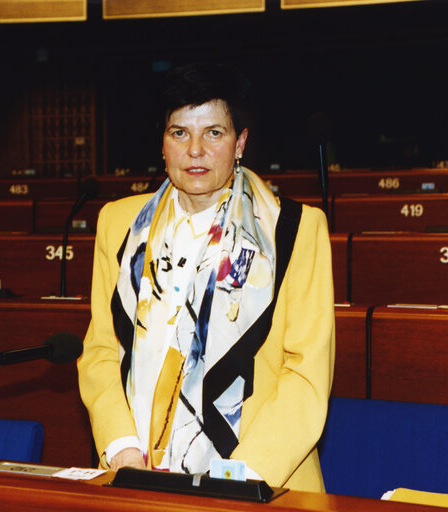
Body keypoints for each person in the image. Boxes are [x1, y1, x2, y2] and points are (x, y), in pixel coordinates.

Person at [77, 63, 335, 491]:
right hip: (136, 476)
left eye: (213, 133)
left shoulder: (292, 230)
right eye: (180, 133)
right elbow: (102, 350)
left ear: (240, 143)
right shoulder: (119, 224)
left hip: (259, 482)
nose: (195, 149)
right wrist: (120, 445)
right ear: (162, 143)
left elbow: (306, 375)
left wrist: (240, 477)